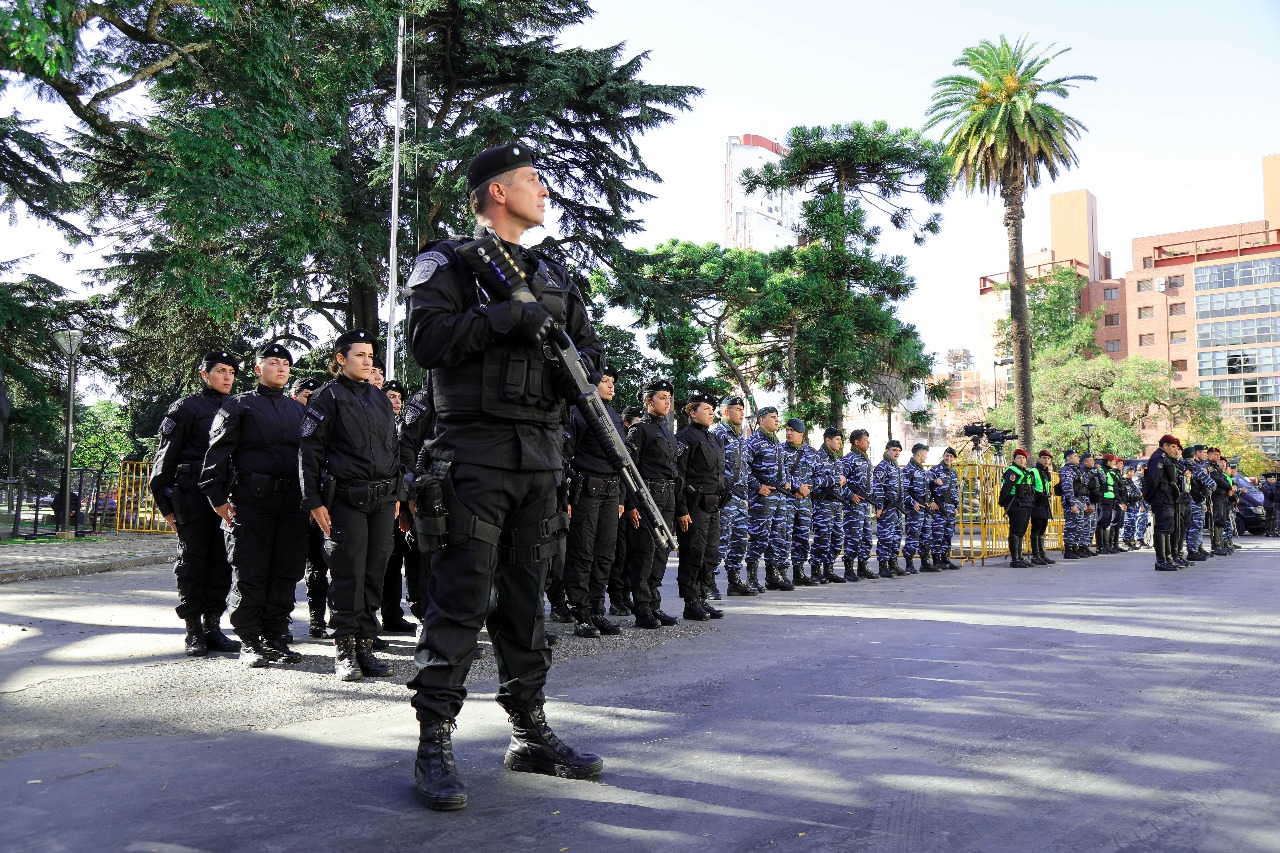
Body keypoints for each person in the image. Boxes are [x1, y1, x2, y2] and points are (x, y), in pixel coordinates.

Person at [403, 142, 604, 810]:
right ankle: (434, 741)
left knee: (527, 601)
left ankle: (530, 730)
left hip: (540, 457)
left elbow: (589, 350)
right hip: (474, 452)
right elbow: (427, 343)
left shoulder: (554, 270)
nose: (543, 190)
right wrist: (504, 317)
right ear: (496, 191)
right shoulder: (449, 261)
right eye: (532, 179)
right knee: (460, 600)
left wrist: (577, 367)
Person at [299, 329, 403, 682]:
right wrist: (313, 501)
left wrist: (398, 495)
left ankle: (364, 645)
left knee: (375, 573)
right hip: (346, 500)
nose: (368, 361)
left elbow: (394, 448)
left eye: (371, 356)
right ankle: (344, 651)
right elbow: (309, 452)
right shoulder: (326, 398)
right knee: (348, 574)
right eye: (360, 355)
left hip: (383, 499)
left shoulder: (378, 399)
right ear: (341, 359)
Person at [199, 343, 307, 667]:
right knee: (251, 571)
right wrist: (217, 499)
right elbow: (216, 454)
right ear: (258, 368)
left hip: (292, 505)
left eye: (286, 364)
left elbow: (313, 459)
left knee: (286, 572)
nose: (282, 368)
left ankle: (275, 636)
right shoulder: (238, 405)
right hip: (252, 503)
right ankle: (249, 641)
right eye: (274, 363)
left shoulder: (298, 411)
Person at [148, 350, 241, 657]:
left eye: (231, 372)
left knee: (221, 562)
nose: (227, 377)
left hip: (226, 496)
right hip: (191, 495)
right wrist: (166, 506)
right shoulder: (186, 407)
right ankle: (193, 631)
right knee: (193, 562)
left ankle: (213, 626)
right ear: (205, 374)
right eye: (221, 371)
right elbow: (164, 461)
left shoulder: (238, 406)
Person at [563, 365, 627, 638]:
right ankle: (581, 613)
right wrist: (565, 497)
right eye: (605, 381)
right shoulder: (578, 412)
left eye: (613, 381)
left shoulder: (613, 416)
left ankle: (598, 609)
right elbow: (565, 457)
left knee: (605, 553)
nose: (611, 386)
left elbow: (623, 463)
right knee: (582, 553)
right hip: (585, 491)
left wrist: (622, 497)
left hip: (611, 493)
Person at [623, 379, 680, 628]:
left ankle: (654, 604)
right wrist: (632, 503)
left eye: (669, 397)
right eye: (662, 397)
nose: (667, 401)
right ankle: (642, 608)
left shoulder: (667, 432)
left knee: (661, 554)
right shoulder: (639, 430)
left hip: (667, 497)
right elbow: (629, 470)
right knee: (644, 554)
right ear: (648, 401)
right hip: (648, 497)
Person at [674, 391, 726, 621]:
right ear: (692, 412)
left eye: (712, 409)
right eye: (706, 408)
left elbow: (719, 474)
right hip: (694, 507)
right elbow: (679, 476)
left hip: (713, 506)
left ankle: (702, 597)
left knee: (710, 555)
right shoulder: (685, 438)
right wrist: (682, 509)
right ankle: (690, 602)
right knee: (693, 554)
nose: (711, 412)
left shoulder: (714, 439)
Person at [292, 377, 331, 639]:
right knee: (287, 567)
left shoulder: (324, 424)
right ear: (295, 395)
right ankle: (278, 620)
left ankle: (318, 620)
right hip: (291, 505)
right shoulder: (286, 422)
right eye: (307, 396)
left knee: (319, 565)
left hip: (322, 503)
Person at [380, 379, 420, 635]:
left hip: (404, 506)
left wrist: (405, 509)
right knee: (389, 565)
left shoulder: (407, 427)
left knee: (414, 562)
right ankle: (389, 614)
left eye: (398, 398)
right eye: (391, 396)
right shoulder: (375, 424)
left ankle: (412, 610)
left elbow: (409, 470)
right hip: (383, 504)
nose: (396, 401)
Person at [745, 406, 792, 592]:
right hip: (762, 499)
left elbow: (783, 467)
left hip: (779, 497)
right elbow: (744, 469)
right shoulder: (753, 442)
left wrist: (787, 481)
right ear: (761, 420)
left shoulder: (776, 443)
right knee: (759, 538)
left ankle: (773, 576)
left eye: (777, 417)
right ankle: (751, 577)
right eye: (773, 417)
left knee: (777, 538)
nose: (777, 420)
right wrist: (758, 486)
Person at [712, 396, 754, 595]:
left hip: (739, 497)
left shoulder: (739, 436)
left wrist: (745, 497)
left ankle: (734, 580)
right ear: (727, 412)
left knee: (739, 541)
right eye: (737, 409)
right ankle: (708, 580)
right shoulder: (718, 433)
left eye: (742, 409)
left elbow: (745, 470)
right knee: (721, 540)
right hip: (724, 497)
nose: (741, 413)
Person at [608, 406, 646, 615]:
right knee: (619, 556)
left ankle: (625, 595)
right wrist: (629, 505)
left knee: (632, 556)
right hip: (623, 505)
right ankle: (616, 598)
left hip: (637, 505)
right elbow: (625, 477)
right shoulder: (622, 442)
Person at [781, 418, 819, 587]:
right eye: (787, 430)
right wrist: (797, 487)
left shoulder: (812, 453)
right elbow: (779, 474)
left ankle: (799, 571)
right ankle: (780, 573)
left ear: (801, 434)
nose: (789, 433)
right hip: (786, 500)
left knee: (802, 537)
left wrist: (807, 489)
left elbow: (819, 476)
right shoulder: (780, 450)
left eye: (793, 430)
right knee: (783, 537)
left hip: (804, 502)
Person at [810, 428, 849, 583]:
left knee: (837, 538)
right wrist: (834, 480)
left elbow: (842, 482)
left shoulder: (837, 459)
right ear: (828, 440)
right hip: (823, 504)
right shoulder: (817, 457)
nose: (840, 442)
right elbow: (814, 481)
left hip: (836, 505)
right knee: (822, 538)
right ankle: (815, 569)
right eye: (837, 439)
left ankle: (829, 568)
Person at [1142, 434, 1183, 571]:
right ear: (1165, 445)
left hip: (1168, 497)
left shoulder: (1166, 458)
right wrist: (1149, 497)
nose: (1174, 449)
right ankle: (1161, 560)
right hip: (1161, 497)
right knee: (1162, 529)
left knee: (1168, 528)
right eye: (1172, 446)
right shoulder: (1158, 458)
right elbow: (1153, 480)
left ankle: (1168, 558)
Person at [841, 429, 877, 580]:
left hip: (864, 505)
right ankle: (849, 569)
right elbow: (841, 482)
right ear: (857, 442)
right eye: (866, 440)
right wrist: (850, 495)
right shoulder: (849, 459)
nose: (868, 443)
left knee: (866, 537)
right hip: (854, 505)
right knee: (853, 537)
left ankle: (862, 566)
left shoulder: (866, 460)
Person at [871, 440, 905, 578]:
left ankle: (893, 563)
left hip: (896, 508)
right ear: (887, 451)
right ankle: (883, 565)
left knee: (896, 537)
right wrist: (879, 506)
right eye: (894, 450)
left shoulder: (896, 467)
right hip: (887, 508)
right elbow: (877, 487)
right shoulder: (882, 467)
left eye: (898, 451)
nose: (896, 453)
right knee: (885, 537)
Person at [999, 449, 1035, 567]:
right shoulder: (1012, 471)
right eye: (1019, 458)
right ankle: (1015, 559)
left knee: (1022, 531)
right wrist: (1003, 502)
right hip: (1016, 503)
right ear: (1014, 459)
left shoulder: (1025, 472)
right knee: (1016, 530)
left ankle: (1020, 557)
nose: (1022, 460)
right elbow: (1006, 488)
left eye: (1023, 458)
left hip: (1026, 503)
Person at [901, 443, 934, 572]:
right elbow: (903, 490)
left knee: (926, 536)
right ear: (920, 453)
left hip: (925, 508)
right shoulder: (908, 470)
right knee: (913, 536)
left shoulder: (922, 471)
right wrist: (912, 502)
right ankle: (909, 563)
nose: (926, 456)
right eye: (925, 453)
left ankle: (925, 562)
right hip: (915, 509)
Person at [927, 447, 961, 570]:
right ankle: (936, 560)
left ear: (954, 458)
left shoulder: (953, 472)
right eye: (947, 456)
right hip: (939, 507)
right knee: (938, 534)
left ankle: (946, 559)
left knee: (948, 534)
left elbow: (955, 491)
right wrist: (931, 501)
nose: (948, 458)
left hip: (951, 508)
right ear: (943, 456)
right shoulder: (935, 470)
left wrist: (957, 506)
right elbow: (925, 486)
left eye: (951, 457)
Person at [1184, 445, 1216, 562]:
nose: (1205, 455)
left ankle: (1196, 548)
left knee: (1191, 526)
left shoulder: (1181, 465)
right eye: (1204, 452)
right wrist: (1205, 492)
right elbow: (1212, 484)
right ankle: (1193, 551)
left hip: (1187, 501)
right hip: (1196, 501)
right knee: (1196, 526)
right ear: (1196, 453)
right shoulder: (1194, 467)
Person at [1027, 450, 1055, 565]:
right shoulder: (1034, 471)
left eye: (1048, 459)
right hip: (1036, 503)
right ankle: (1035, 555)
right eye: (1044, 458)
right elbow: (1029, 487)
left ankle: (1042, 554)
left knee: (1042, 529)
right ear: (1039, 459)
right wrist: (1037, 497)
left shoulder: (1046, 472)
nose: (1046, 460)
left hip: (1044, 503)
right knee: (1036, 529)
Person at [1093, 453, 1122, 555]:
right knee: (1101, 523)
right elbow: (1102, 482)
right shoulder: (1101, 470)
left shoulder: (1108, 471)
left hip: (1110, 500)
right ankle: (1100, 546)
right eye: (1113, 461)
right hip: (1103, 499)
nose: (1114, 463)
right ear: (1108, 461)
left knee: (1106, 523)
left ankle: (1106, 545)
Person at [1120, 466, 1145, 549]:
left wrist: (1138, 495)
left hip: (1133, 506)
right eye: (1132, 472)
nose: (1133, 474)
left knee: (1131, 524)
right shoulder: (1124, 482)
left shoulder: (1130, 481)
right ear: (1128, 472)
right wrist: (1138, 495)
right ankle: (1124, 542)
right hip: (1127, 505)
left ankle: (1130, 541)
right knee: (1126, 524)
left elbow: (1137, 492)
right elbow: (1129, 494)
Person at [1262, 472, 1279, 536]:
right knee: (1269, 517)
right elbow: (1269, 494)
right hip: (1268, 503)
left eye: (1274, 479)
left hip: (1274, 503)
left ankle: (1273, 530)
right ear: (1268, 479)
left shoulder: (1274, 485)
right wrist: (1274, 489)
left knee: (1274, 517)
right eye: (1272, 479)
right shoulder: (1265, 485)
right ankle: (1268, 531)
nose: (1274, 481)